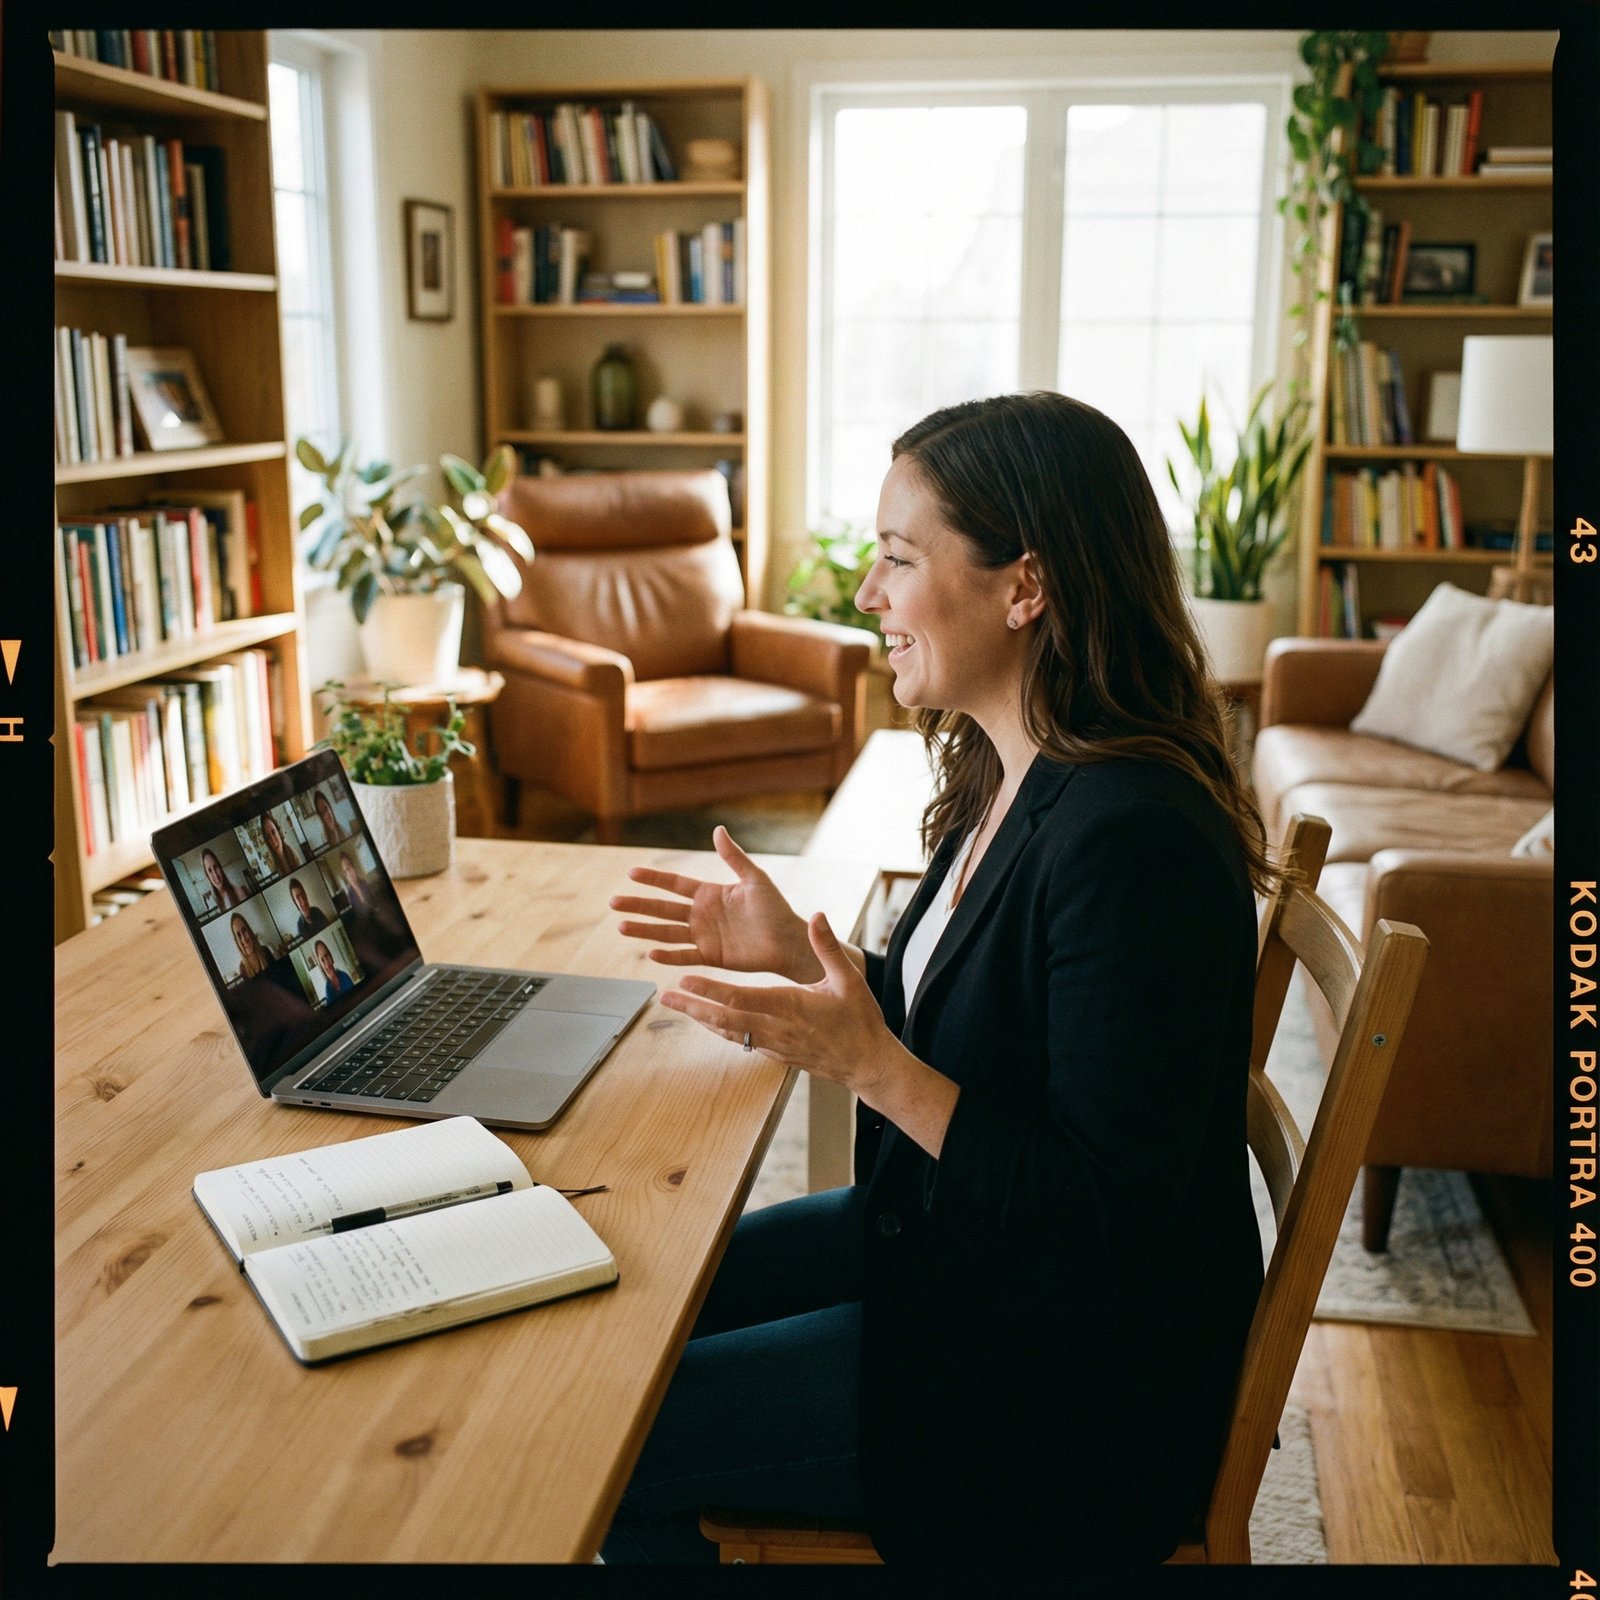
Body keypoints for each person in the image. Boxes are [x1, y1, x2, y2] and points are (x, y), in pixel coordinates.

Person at [602, 392, 1276, 1565]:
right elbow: (1002, 1017)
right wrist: (804, 959)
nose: (865, 594)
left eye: (898, 558)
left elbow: (1106, 1224)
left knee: (607, 1427)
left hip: (1060, 1387)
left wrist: (865, 1062)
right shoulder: (1011, 763)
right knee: (630, 1299)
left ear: (1027, 586)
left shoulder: (1134, 839)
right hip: (956, 1255)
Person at [201, 846, 249, 912]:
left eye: (215, 867)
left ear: (220, 868)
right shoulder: (212, 903)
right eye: (210, 871)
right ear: (207, 876)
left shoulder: (238, 892)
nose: (215, 875)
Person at [229, 913, 272, 981]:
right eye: (239, 935)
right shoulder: (243, 968)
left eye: (244, 930)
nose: (244, 939)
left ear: (249, 931)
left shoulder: (265, 951)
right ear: (237, 942)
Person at [312, 938, 355, 1004]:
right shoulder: (328, 992)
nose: (327, 963)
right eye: (322, 960)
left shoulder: (345, 976)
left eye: (326, 955)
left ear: (331, 956)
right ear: (321, 966)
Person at [260, 811, 300, 877]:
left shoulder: (294, 853)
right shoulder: (272, 868)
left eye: (273, 832)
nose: (273, 840)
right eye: (268, 837)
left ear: (279, 832)